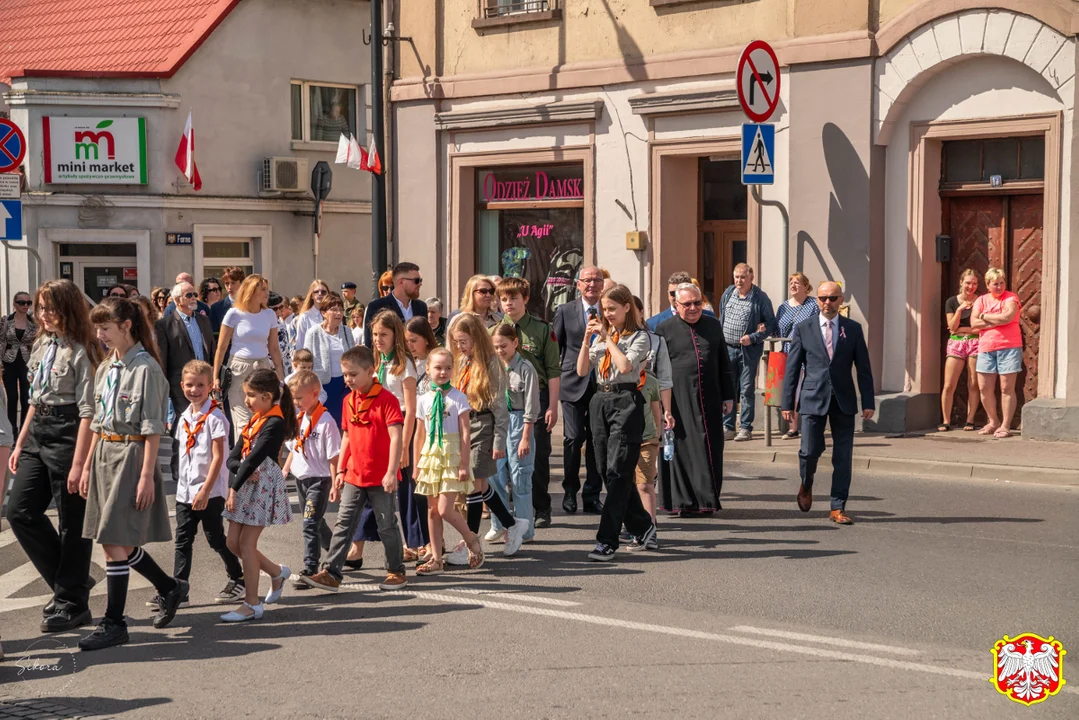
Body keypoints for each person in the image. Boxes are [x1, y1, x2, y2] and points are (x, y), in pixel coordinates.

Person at [78, 297, 187, 650]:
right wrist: (84, 464)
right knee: (119, 541)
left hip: (130, 453)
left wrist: (145, 475)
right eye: (97, 328)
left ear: (126, 325)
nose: (100, 335)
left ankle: (114, 622)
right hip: (105, 454)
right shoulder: (107, 367)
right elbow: (96, 418)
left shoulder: (146, 368)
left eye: (106, 328)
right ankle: (169, 587)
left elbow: (152, 425)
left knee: (113, 540)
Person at [7, 280, 102, 635]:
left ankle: (72, 601)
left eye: (51, 308)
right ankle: (71, 583)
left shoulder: (84, 349)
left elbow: (89, 410)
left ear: (69, 308)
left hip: (69, 430)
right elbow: (34, 398)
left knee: (71, 521)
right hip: (37, 431)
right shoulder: (42, 342)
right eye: (40, 308)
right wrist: (20, 442)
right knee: (20, 511)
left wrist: (81, 462)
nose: (44, 315)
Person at [301, 346, 408, 592]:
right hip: (354, 474)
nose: (348, 379)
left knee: (386, 525)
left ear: (370, 371)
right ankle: (331, 573)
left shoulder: (387, 400)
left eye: (353, 374)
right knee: (343, 523)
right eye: (345, 374)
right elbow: (347, 437)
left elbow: (396, 437)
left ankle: (396, 571)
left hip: (381, 476)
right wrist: (340, 471)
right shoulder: (349, 400)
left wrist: (392, 472)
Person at [782, 281, 875, 525]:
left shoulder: (852, 329)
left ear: (841, 300)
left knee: (843, 457)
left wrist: (868, 401)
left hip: (843, 400)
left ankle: (837, 507)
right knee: (809, 451)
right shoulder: (803, 328)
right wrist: (786, 404)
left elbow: (863, 368)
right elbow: (792, 368)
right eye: (822, 298)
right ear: (816, 300)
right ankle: (807, 482)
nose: (827, 303)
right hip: (813, 397)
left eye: (832, 298)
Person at [576, 283, 657, 561]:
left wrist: (608, 338)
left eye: (612, 309)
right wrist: (588, 341)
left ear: (626, 308)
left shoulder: (641, 337)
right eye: (604, 310)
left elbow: (625, 367)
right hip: (600, 400)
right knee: (604, 470)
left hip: (625, 400)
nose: (607, 314)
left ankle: (607, 540)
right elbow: (582, 369)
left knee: (618, 471)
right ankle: (644, 526)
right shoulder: (601, 336)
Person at [220, 368, 297, 621]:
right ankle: (276, 572)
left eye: (251, 395)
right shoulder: (255, 420)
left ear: (267, 396)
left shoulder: (274, 423)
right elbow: (234, 457)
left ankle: (252, 604)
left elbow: (254, 458)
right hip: (245, 481)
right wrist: (238, 472)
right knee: (233, 543)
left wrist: (233, 486)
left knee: (246, 544)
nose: (246, 401)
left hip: (261, 485)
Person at [347, 310, 421, 567]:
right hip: (375, 427)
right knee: (371, 487)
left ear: (395, 335)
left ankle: (416, 543)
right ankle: (357, 548)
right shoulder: (376, 362)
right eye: (375, 334)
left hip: (399, 427)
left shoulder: (405, 365)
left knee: (402, 492)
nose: (378, 339)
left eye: (383, 334)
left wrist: (404, 447)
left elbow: (410, 409)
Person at [169, 360, 245, 606]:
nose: (194, 390)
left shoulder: (216, 417)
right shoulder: (183, 418)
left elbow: (218, 457)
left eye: (200, 385)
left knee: (215, 539)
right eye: (189, 385)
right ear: (182, 386)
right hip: (185, 491)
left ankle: (237, 577)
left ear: (209, 386)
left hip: (209, 492)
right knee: (183, 540)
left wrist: (205, 490)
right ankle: (179, 590)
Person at [656, 284, 736, 516]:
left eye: (697, 303)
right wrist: (662, 405)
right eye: (687, 304)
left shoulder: (713, 325)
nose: (693, 308)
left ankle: (707, 500)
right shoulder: (664, 329)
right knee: (679, 449)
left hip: (710, 397)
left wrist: (728, 395)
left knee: (709, 447)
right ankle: (681, 503)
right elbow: (658, 369)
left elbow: (723, 362)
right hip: (677, 399)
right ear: (676, 305)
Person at [451, 314, 527, 555]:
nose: (460, 347)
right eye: (456, 342)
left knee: (474, 485)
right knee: (480, 485)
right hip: (464, 425)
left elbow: (499, 407)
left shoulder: (491, 364)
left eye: (463, 341)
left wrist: (498, 441)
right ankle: (513, 524)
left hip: (484, 425)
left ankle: (470, 544)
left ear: (476, 339)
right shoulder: (463, 362)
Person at [495, 277, 560, 528]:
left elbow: (553, 370)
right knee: (503, 459)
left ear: (525, 299)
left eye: (513, 298)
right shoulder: (494, 331)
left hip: (536, 397)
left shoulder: (542, 330)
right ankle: (509, 510)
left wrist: (552, 405)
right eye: (503, 299)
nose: (508, 303)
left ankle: (541, 507)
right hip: (504, 400)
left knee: (538, 454)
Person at [413, 347, 483, 574]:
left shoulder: (458, 397)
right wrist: (416, 464)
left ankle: (471, 539)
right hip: (431, 455)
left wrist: (464, 463)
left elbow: (465, 433)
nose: (443, 372)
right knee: (432, 510)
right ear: (427, 369)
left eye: (447, 368)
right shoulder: (423, 399)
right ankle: (436, 559)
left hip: (452, 454)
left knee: (444, 509)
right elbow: (419, 434)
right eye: (438, 367)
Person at [281, 370, 340, 589]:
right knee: (317, 521)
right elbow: (294, 449)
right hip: (301, 479)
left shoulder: (325, 422)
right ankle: (335, 548)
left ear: (315, 394)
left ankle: (310, 567)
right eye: (293, 398)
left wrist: (335, 482)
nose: (295, 402)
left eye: (298, 398)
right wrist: (286, 468)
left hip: (319, 479)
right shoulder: (299, 418)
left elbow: (334, 455)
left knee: (309, 522)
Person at [553, 266, 604, 515]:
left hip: (603, 384)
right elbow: (557, 350)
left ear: (603, 284)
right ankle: (570, 491)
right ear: (578, 284)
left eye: (596, 280)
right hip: (572, 383)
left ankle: (592, 495)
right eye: (587, 281)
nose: (592, 284)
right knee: (573, 439)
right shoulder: (565, 311)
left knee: (597, 440)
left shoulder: (610, 309)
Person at [155, 281, 216, 481]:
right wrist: (165, 387)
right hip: (181, 386)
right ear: (177, 300)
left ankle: (201, 468)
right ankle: (179, 468)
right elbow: (163, 358)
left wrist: (214, 377)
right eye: (188, 295)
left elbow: (212, 350)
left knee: (205, 425)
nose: (193, 299)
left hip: (205, 383)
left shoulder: (203, 320)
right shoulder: (165, 324)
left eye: (194, 294)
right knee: (184, 426)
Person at [212, 275, 285, 439]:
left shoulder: (269, 315)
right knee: (243, 421)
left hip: (263, 368)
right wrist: (215, 376)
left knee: (262, 419)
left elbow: (274, 348)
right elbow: (221, 347)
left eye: (267, 289)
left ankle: (259, 462)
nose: (267, 293)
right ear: (251, 291)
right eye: (263, 289)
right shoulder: (234, 314)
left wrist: (280, 377)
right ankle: (243, 461)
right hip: (239, 369)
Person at [489, 324, 539, 543]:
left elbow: (531, 407)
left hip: (519, 422)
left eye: (504, 346)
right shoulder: (494, 368)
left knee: (520, 477)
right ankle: (499, 523)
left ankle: (525, 528)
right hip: (499, 423)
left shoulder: (526, 369)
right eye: (496, 347)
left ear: (515, 343)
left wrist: (526, 437)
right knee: (494, 475)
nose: (500, 351)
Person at [717, 264, 775, 442]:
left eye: (742, 277)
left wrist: (754, 337)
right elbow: (721, 316)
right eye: (736, 277)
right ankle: (728, 427)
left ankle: (745, 427)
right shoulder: (728, 293)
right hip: (727, 348)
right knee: (728, 388)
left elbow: (771, 324)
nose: (739, 281)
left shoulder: (760, 298)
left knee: (746, 388)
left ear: (751, 278)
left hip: (747, 350)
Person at [971, 268, 1022, 439]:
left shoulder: (1011, 298)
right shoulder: (981, 299)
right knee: (985, 388)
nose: (999, 287)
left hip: (1009, 347)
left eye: (1002, 283)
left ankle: (1005, 425)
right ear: (987, 285)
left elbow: (1007, 317)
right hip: (986, 348)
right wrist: (997, 321)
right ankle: (993, 422)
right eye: (995, 284)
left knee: (1006, 388)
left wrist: (984, 316)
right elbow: (973, 323)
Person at [774, 272, 819, 439]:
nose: (793, 285)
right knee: (791, 389)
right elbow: (777, 329)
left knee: (802, 390)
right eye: (791, 282)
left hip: (807, 352)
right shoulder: (784, 306)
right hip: (787, 352)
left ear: (806, 287)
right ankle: (793, 428)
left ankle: (806, 425)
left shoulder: (813, 304)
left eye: (797, 283)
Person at [302, 292, 354, 427]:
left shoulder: (347, 331)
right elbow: (306, 360)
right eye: (334, 309)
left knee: (344, 423)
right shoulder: (313, 333)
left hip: (345, 385)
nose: (338, 313)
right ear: (324, 312)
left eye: (341, 310)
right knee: (324, 424)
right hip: (324, 386)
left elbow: (354, 356)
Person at [940, 269, 981, 432]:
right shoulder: (951, 301)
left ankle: (970, 421)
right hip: (956, 344)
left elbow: (980, 328)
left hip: (975, 343)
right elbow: (951, 326)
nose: (971, 286)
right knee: (949, 384)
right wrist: (960, 310)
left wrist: (963, 329)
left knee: (974, 383)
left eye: (975, 283)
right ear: (961, 283)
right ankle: (945, 420)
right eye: (968, 283)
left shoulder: (981, 301)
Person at [362, 262, 428, 347]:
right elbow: (371, 344)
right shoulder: (376, 307)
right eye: (416, 281)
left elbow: (426, 339)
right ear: (401, 282)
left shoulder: (421, 307)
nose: (420, 284)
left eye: (420, 280)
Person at [1, 291, 38, 430]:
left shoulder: (34, 323)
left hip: (27, 362)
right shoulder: (6, 321)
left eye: (28, 303)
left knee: (26, 397)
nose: (25, 306)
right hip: (9, 362)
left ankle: (24, 429)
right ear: (14, 304)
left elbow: (37, 343)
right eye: (22, 303)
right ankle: (12, 430)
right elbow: (1, 341)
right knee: (11, 397)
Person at [646, 271, 714, 330]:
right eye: (673, 293)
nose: (677, 297)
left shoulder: (710, 318)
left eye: (681, 293)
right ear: (668, 294)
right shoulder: (654, 324)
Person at [292, 279, 330, 351]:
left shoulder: (335, 314)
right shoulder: (305, 317)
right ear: (312, 295)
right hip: (312, 358)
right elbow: (300, 344)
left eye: (323, 292)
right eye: (316, 292)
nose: (320, 294)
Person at [209, 267, 246, 334]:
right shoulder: (217, 308)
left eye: (233, 283)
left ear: (242, 283)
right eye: (227, 283)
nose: (229, 287)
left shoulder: (251, 305)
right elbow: (214, 335)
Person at [268, 291, 293, 376]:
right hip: (269, 370)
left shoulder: (281, 323)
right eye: (275, 309)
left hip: (285, 369)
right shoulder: (262, 326)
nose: (279, 312)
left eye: (280, 307)